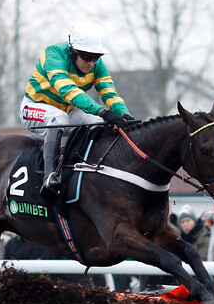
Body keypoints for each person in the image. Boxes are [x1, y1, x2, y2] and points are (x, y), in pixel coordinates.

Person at [19, 21, 139, 201]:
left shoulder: (97, 65)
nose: (91, 63)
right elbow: (68, 91)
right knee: (59, 117)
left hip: (68, 111)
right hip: (35, 108)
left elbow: (108, 91)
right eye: (86, 57)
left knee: (98, 123)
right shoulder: (53, 54)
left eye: (96, 57)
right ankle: (49, 177)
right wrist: (103, 112)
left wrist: (124, 114)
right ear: (73, 51)